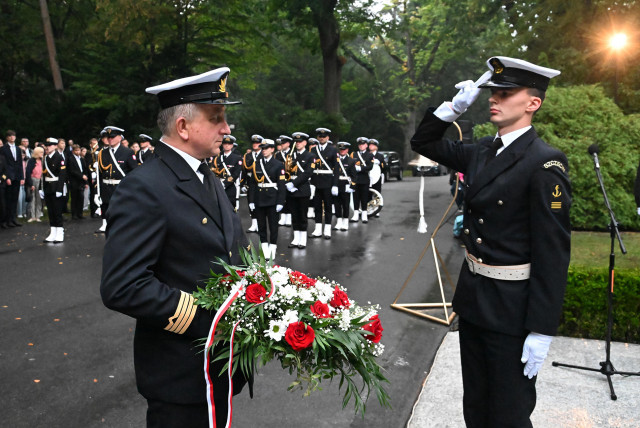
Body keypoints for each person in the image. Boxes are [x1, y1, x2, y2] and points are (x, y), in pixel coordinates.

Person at [410, 56, 571, 428]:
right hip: (476, 298)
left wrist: (542, 329)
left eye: (505, 92)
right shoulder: (482, 150)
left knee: (508, 414)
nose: (493, 99)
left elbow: (553, 252)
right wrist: (451, 109)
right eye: (492, 92)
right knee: (477, 408)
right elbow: (424, 141)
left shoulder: (544, 163)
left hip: (513, 309)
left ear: (533, 103)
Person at [101, 67, 250, 428]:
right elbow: (123, 285)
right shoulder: (145, 187)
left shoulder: (203, 173)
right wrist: (210, 318)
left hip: (217, 368)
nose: (226, 129)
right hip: (179, 373)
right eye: (216, 118)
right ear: (183, 127)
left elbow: (230, 251)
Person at [94, 126, 137, 233]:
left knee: (122, 219)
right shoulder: (102, 153)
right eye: (108, 137)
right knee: (108, 219)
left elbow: (135, 172)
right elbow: (99, 174)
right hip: (106, 190)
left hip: (121, 189)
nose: (110, 139)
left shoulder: (127, 152)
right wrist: (96, 192)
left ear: (120, 138)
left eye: (113, 137)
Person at [250, 139, 286, 260]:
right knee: (261, 226)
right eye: (263, 148)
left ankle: (273, 249)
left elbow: (281, 185)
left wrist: (281, 202)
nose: (264, 150)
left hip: (273, 199)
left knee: (273, 226)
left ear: (272, 149)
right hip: (260, 199)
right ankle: (264, 250)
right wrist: (251, 200)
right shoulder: (257, 163)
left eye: (266, 148)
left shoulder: (278, 164)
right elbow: (253, 184)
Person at [286, 132, 315, 249]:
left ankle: (303, 239)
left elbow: (308, 173)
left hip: (302, 188)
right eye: (296, 142)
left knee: (302, 215)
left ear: (305, 143)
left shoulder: (310, 156)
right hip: (291, 190)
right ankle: (295, 238)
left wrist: (293, 183)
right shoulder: (291, 155)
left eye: (300, 142)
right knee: (294, 215)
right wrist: (288, 183)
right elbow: (287, 171)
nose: (298, 144)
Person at [310, 127, 338, 239]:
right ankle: (317, 229)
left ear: (328, 138)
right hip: (316, 182)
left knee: (327, 207)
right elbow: (311, 168)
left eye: (324, 136)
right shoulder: (313, 150)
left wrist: (335, 184)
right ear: (317, 137)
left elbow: (336, 169)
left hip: (328, 182)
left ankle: (327, 230)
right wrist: (311, 182)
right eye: (320, 136)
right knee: (317, 206)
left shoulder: (333, 150)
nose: (322, 138)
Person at [42, 138, 67, 243]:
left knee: (57, 211)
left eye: (51, 145)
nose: (48, 147)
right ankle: (53, 232)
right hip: (48, 187)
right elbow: (43, 174)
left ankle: (60, 232)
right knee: (51, 211)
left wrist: (60, 189)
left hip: (56, 186)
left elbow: (62, 175)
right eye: (47, 145)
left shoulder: (59, 157)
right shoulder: (46, 158)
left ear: (55, 146)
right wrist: (42, 188)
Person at [0, 130, 24, 228]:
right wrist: (7, 178)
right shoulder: (3, 149)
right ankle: (6, 220)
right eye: (10, 136)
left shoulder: (18, 149)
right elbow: (5, 165)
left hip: (17, 176)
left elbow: (19, 164)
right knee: (8, 199)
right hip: (9, 176)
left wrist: (22, 177)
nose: (12, 137)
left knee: (15, 198)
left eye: (13, 135)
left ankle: (13, 219)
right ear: (7, 138)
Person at [212, 135, 243, 209]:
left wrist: (225, 184)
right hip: (218, 185)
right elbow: (213, 172)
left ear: (232, 145)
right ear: (222, 144)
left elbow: (236, 174)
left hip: (230, 186)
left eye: (229, 144)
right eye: (225, 143)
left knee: (230, 209)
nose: (227, 145)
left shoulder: (237, 158)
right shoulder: (217, 158)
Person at [333, 141, 356, 231]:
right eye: (341, 149)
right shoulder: (335, 159)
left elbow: (354, 176)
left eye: (344, 149)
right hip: (336, 184)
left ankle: (345, 222)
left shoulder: (351, 160)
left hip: (346, 184)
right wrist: (333, 185)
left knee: (345, 205)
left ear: (347, 150)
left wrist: (352, 187)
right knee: (337, 204)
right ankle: (338, 221)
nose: (342, 151)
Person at [350, 137, 374, 223]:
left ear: (366, 145)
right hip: (355, 179)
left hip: (364, 179)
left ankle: (364, 214)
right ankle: (355, 214)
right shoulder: (353, 154)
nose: (361, 146)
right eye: (360, 144)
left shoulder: (370, 155)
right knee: (355, 197)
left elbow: (370, 166)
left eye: (363, 144)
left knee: (364, 197)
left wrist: (360, 168)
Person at [242, 134, 263, 232]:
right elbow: (244, 170)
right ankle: (253, 224)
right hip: (250, 182)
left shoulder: (264, 154)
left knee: (259, 203)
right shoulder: (248, 155)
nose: (255, 145)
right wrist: (243, 183)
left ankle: (259, 223)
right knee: (251, 203)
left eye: (257, 143)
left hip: (260, 181)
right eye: (254, 143)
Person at [67, 144, 90, 220]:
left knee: (81, 197)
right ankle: (74, 214)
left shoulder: (82, 159)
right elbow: (72, 171)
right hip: (74, 181)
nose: (78, 152)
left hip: (81, 181)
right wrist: (81, 176)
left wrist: (85, 180)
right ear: (73, 151)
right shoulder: (70, 159)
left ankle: (80, 213)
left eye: (78, 150)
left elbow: (85, 169)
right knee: (74, 198)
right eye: (76, 150)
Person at [275, 135, 293, 226]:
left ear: (288, 144)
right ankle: (282, 217)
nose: (281, 144)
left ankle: (289, 217)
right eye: (281, 143)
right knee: (281, 197)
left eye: (284, 143)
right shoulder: (277, 154)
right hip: (281, 178)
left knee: (289, 198)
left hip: (290, 179)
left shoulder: (292, 153)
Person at [25, 146, 45, 222]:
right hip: (33, 180)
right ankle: (32, 216)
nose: (42, 154)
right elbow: (28, 172)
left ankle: (38, 215)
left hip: (40, 180)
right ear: (37, 153)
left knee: (39, 199)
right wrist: (30, 184)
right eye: (41, 152)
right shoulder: (31, 161)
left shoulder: (42, 160)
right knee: (32, 198)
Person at [368, 138, 385, 218]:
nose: (371, 146)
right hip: (368, 176)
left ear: (376, 147)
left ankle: (377, 209)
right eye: (370, 145)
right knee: (368, 193)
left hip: (377, 176)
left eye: (373, 145)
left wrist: (379, 162)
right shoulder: (367, 154)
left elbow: (384, 166)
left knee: (377, 193)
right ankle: (369, 208)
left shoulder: (380, 155)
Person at [85, 137, 101, 218]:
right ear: (90, 145)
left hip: (99, 174)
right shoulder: (89, 153)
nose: (95, 146)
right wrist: (92, 172)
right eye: (93, 144)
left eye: (96, 144)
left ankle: (100, 209)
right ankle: (93, 210)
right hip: (93, 175)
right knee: (93, 193)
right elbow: (88, 164)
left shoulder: (100, 152)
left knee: (100, 192)